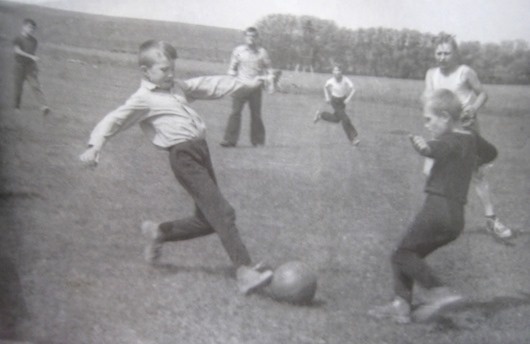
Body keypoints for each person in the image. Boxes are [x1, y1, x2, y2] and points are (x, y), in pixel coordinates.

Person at [79, 40, 273, 295]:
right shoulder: (143, 99)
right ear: (145, 72)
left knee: (207, 220)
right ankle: (244, 271)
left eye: (172, 69)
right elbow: (114, 119)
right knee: (223, 212)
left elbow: (213, 84)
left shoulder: (178, 87)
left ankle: (159, 232)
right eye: (163, 70)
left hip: (201, 152)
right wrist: (95, 146)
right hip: (183, 157)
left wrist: (251, 83)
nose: (170, 74)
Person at [368, 89, 498, 324]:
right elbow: (492, 153)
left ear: (445, 117)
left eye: (429, 119)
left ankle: (441, 294)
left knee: (402, 253)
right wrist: (472, 162)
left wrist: (423, 147)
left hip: (437, 209)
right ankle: (401, 307)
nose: (427, 125)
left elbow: (437, 148)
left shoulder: (448, 140)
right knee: (408, 254)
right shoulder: (471, 137)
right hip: (456, 217)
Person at [424, 34, 513, 240]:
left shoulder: (465, 72)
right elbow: (429, 100)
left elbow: (483, 94)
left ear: (455, 53)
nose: (442, 57)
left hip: (466, 129)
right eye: (439, 53)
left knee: (477, 174)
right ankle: (437, 220)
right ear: (434, 54)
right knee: (435, 173)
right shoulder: (431, 74)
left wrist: (472, 108)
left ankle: (492, 220)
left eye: (447, 53)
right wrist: (431, 121)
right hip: (443, 130)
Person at [220, 27, 274, 148]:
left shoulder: (262, 52)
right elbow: (232, 69)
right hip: (240, 86)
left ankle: (258, 141)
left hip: (256, 87)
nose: (251, 38)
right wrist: (230, 83)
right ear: (245, 37)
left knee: (256, 114)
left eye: (254, 36)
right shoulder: (238, 51)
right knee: (235, 112)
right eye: (249, 36)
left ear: (257, 37)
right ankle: (229, 140)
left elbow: (269, 69)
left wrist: (269, 82)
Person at [314, 66, 360, 146]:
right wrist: (327, 97)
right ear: (333, 72)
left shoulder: (345, 79)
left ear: (341, 72)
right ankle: (352, 139)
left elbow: (354, 89)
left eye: (338, 70)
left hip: (342, 102)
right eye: (335, 71)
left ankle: (321, 115)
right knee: (345, 119)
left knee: (336, 119)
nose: (336, 73)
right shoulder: (330, 81)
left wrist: (348, 98)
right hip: (334, 101)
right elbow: (325, 87)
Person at [12, 18, 50, 115]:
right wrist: (31, 56)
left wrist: (35, 66)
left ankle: (44, 106)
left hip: (30, 67)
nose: (31, 30)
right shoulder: (18, 38)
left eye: (33, 28)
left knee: (35, 86)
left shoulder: (34, 41)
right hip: (19, 66)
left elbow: (33, 54)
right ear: (24, 27)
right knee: (19, 88)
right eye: (29, 27)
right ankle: (17, 107)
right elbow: (17, 51)